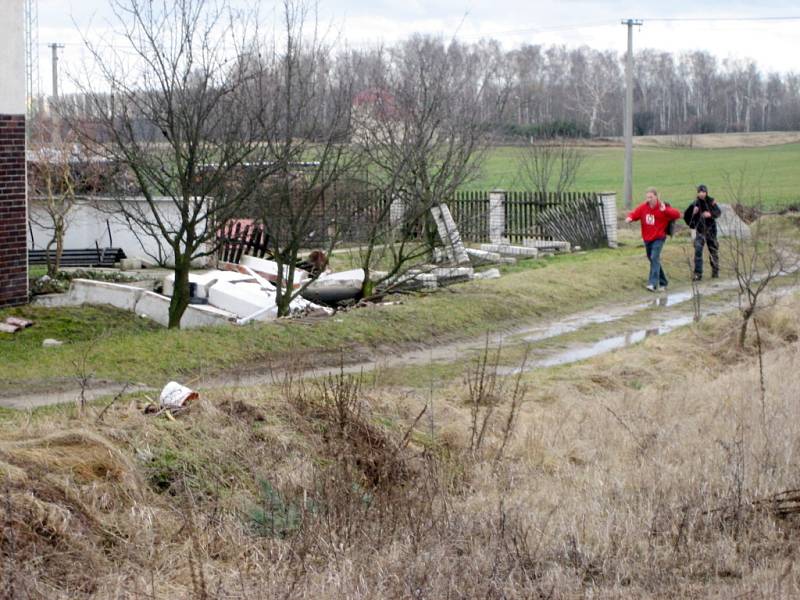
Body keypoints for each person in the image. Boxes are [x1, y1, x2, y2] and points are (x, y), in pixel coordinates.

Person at [626, 187, 681, 292]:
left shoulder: (662, 207)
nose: (649, 199)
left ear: (656, 196)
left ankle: (652, 284)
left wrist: (666, 210)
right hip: (647, 238)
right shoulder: (643, 207)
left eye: (651, 197)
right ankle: (663, 282)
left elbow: (677, 214)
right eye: (647, 197)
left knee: (654, 257)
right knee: (652, 259)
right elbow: (635, 214)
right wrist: (630, 218)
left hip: (659, 237)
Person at [683, 184, 721, 280]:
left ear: (706, 192)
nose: (702, 194)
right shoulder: (695, 204)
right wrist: (693, 213)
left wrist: (710, 214)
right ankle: (698, 274)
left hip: (711, 231)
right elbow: (686, 217)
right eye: (700, 192)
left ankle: (715, 271)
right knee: (698, 250)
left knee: (713, 250)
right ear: (698, 193)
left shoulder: (711, 202)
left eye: (703, 192)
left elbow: (718, 212)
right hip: (700, 231)